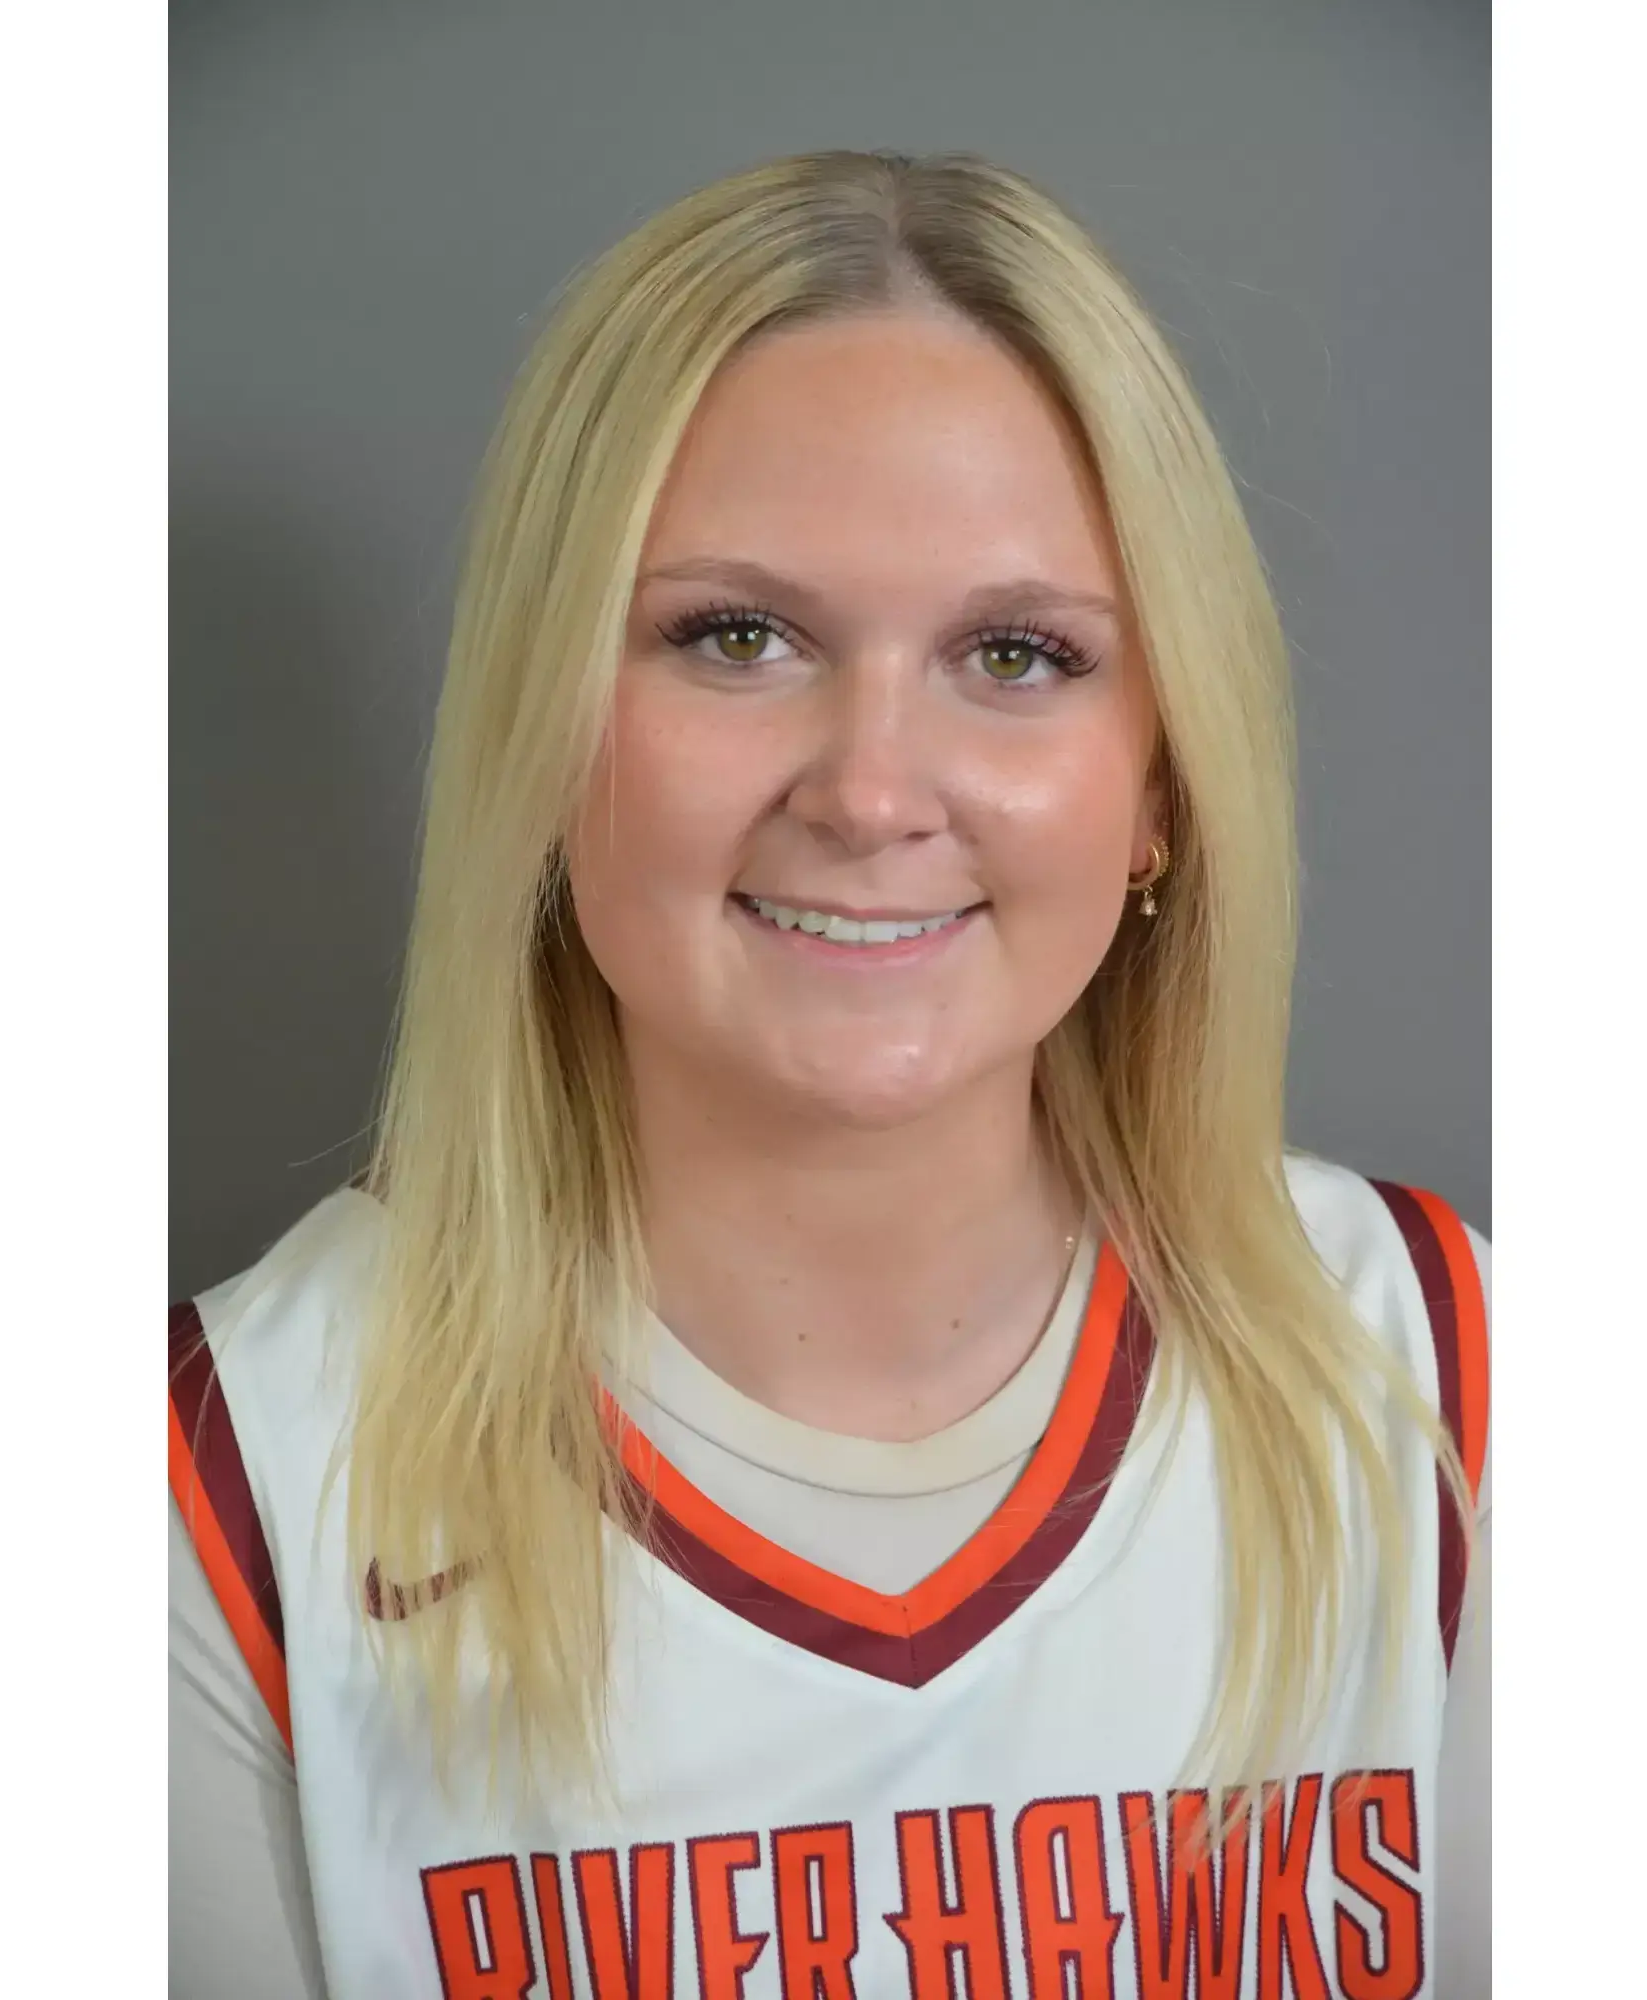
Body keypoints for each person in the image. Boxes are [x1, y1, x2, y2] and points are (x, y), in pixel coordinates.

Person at [170, 148, 1490, 1998]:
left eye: (1016, 654)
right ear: (545, 737)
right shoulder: (232, 1484)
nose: (871, 793)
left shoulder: (1436, 1374)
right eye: (737, 637)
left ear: (1160, 790)